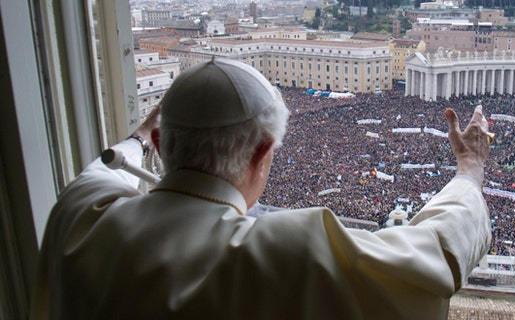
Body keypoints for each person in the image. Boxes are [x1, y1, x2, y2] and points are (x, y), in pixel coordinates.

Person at [30, 58, 491, 319]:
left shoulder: (81, 213)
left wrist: (136, 139)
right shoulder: (290, 251)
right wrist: (469, 171)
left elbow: (104, 169)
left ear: (159, 143)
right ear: (262, 154)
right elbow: (434, 256)